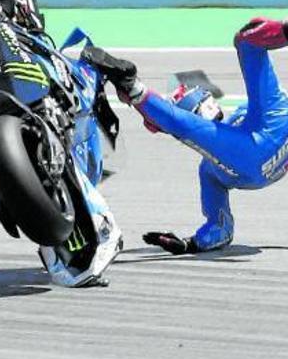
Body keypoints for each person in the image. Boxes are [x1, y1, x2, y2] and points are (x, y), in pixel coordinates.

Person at [82, 17, 288, 254]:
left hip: (255, 164)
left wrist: (191, 244)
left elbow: (220, 229)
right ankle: (134, 89)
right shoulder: (215, 159)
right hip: (266, 140)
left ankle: (135, 90)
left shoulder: (211, 168)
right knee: (246, 39)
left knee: (249, 38)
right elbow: (177, 123)